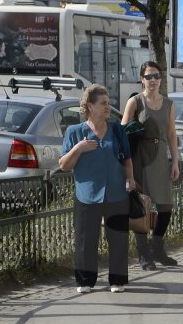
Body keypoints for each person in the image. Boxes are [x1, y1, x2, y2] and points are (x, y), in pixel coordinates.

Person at [58, 85, 135, 294]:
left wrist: (131, 178)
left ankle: (117, 280)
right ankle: (85, 281)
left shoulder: (117, 128)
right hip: (87, 194)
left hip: (116, 192)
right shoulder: (75, 132)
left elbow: (127, 157)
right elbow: (64, 165)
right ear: (90, 106)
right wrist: (79, 148)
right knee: (85, 239)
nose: (108, 107)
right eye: (103, 103)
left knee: (118, 237)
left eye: (108, 103)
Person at [121, 61, 180, 270]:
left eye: (156, 76)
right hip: (139, 157)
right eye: (148, 76)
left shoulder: (169, 103)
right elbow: (123, 131)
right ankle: (144, 254)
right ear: (141, 79)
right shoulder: (135, 101)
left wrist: (175, 161)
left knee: (165, 206)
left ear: (161, 79)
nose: (153, 80)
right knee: (141, 205)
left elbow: (172, 134)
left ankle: (157, 247)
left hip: (161, 157)